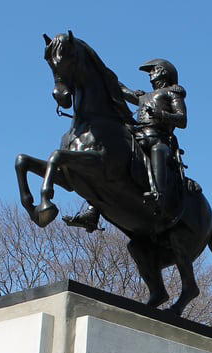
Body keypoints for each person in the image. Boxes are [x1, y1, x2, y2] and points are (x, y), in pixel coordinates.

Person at [64, 58, 188, 233]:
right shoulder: (144, 96)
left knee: (158, 150)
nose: (151, 74)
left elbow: (182, 120)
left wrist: (159, 114)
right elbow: (123, 91)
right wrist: (102, 73)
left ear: (163, 72)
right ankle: (93, 212)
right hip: (138, 136)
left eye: (153, 70)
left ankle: (158, 196)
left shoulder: (172, 93)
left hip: (158, 137)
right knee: (110, 156)